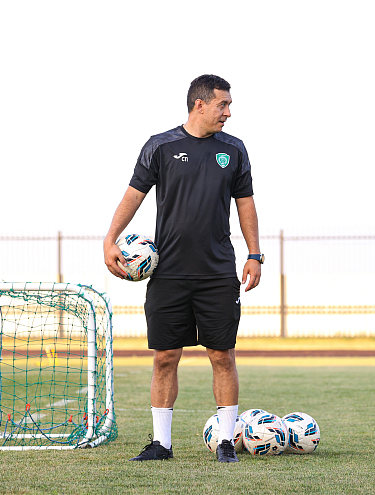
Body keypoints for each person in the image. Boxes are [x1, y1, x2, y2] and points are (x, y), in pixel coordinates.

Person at [103, 74, 263, 463]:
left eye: (229, 105)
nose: (228, 112)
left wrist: (254, 254)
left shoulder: (234, 149)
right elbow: (133, 195)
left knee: (222, 356)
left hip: (217, 273)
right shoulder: (160, 146)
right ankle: (162, 444)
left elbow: (245, 203)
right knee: (164, 357)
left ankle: (227, 443)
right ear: (199, 104)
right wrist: (110, 240)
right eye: (223, 104)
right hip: (169, 273)